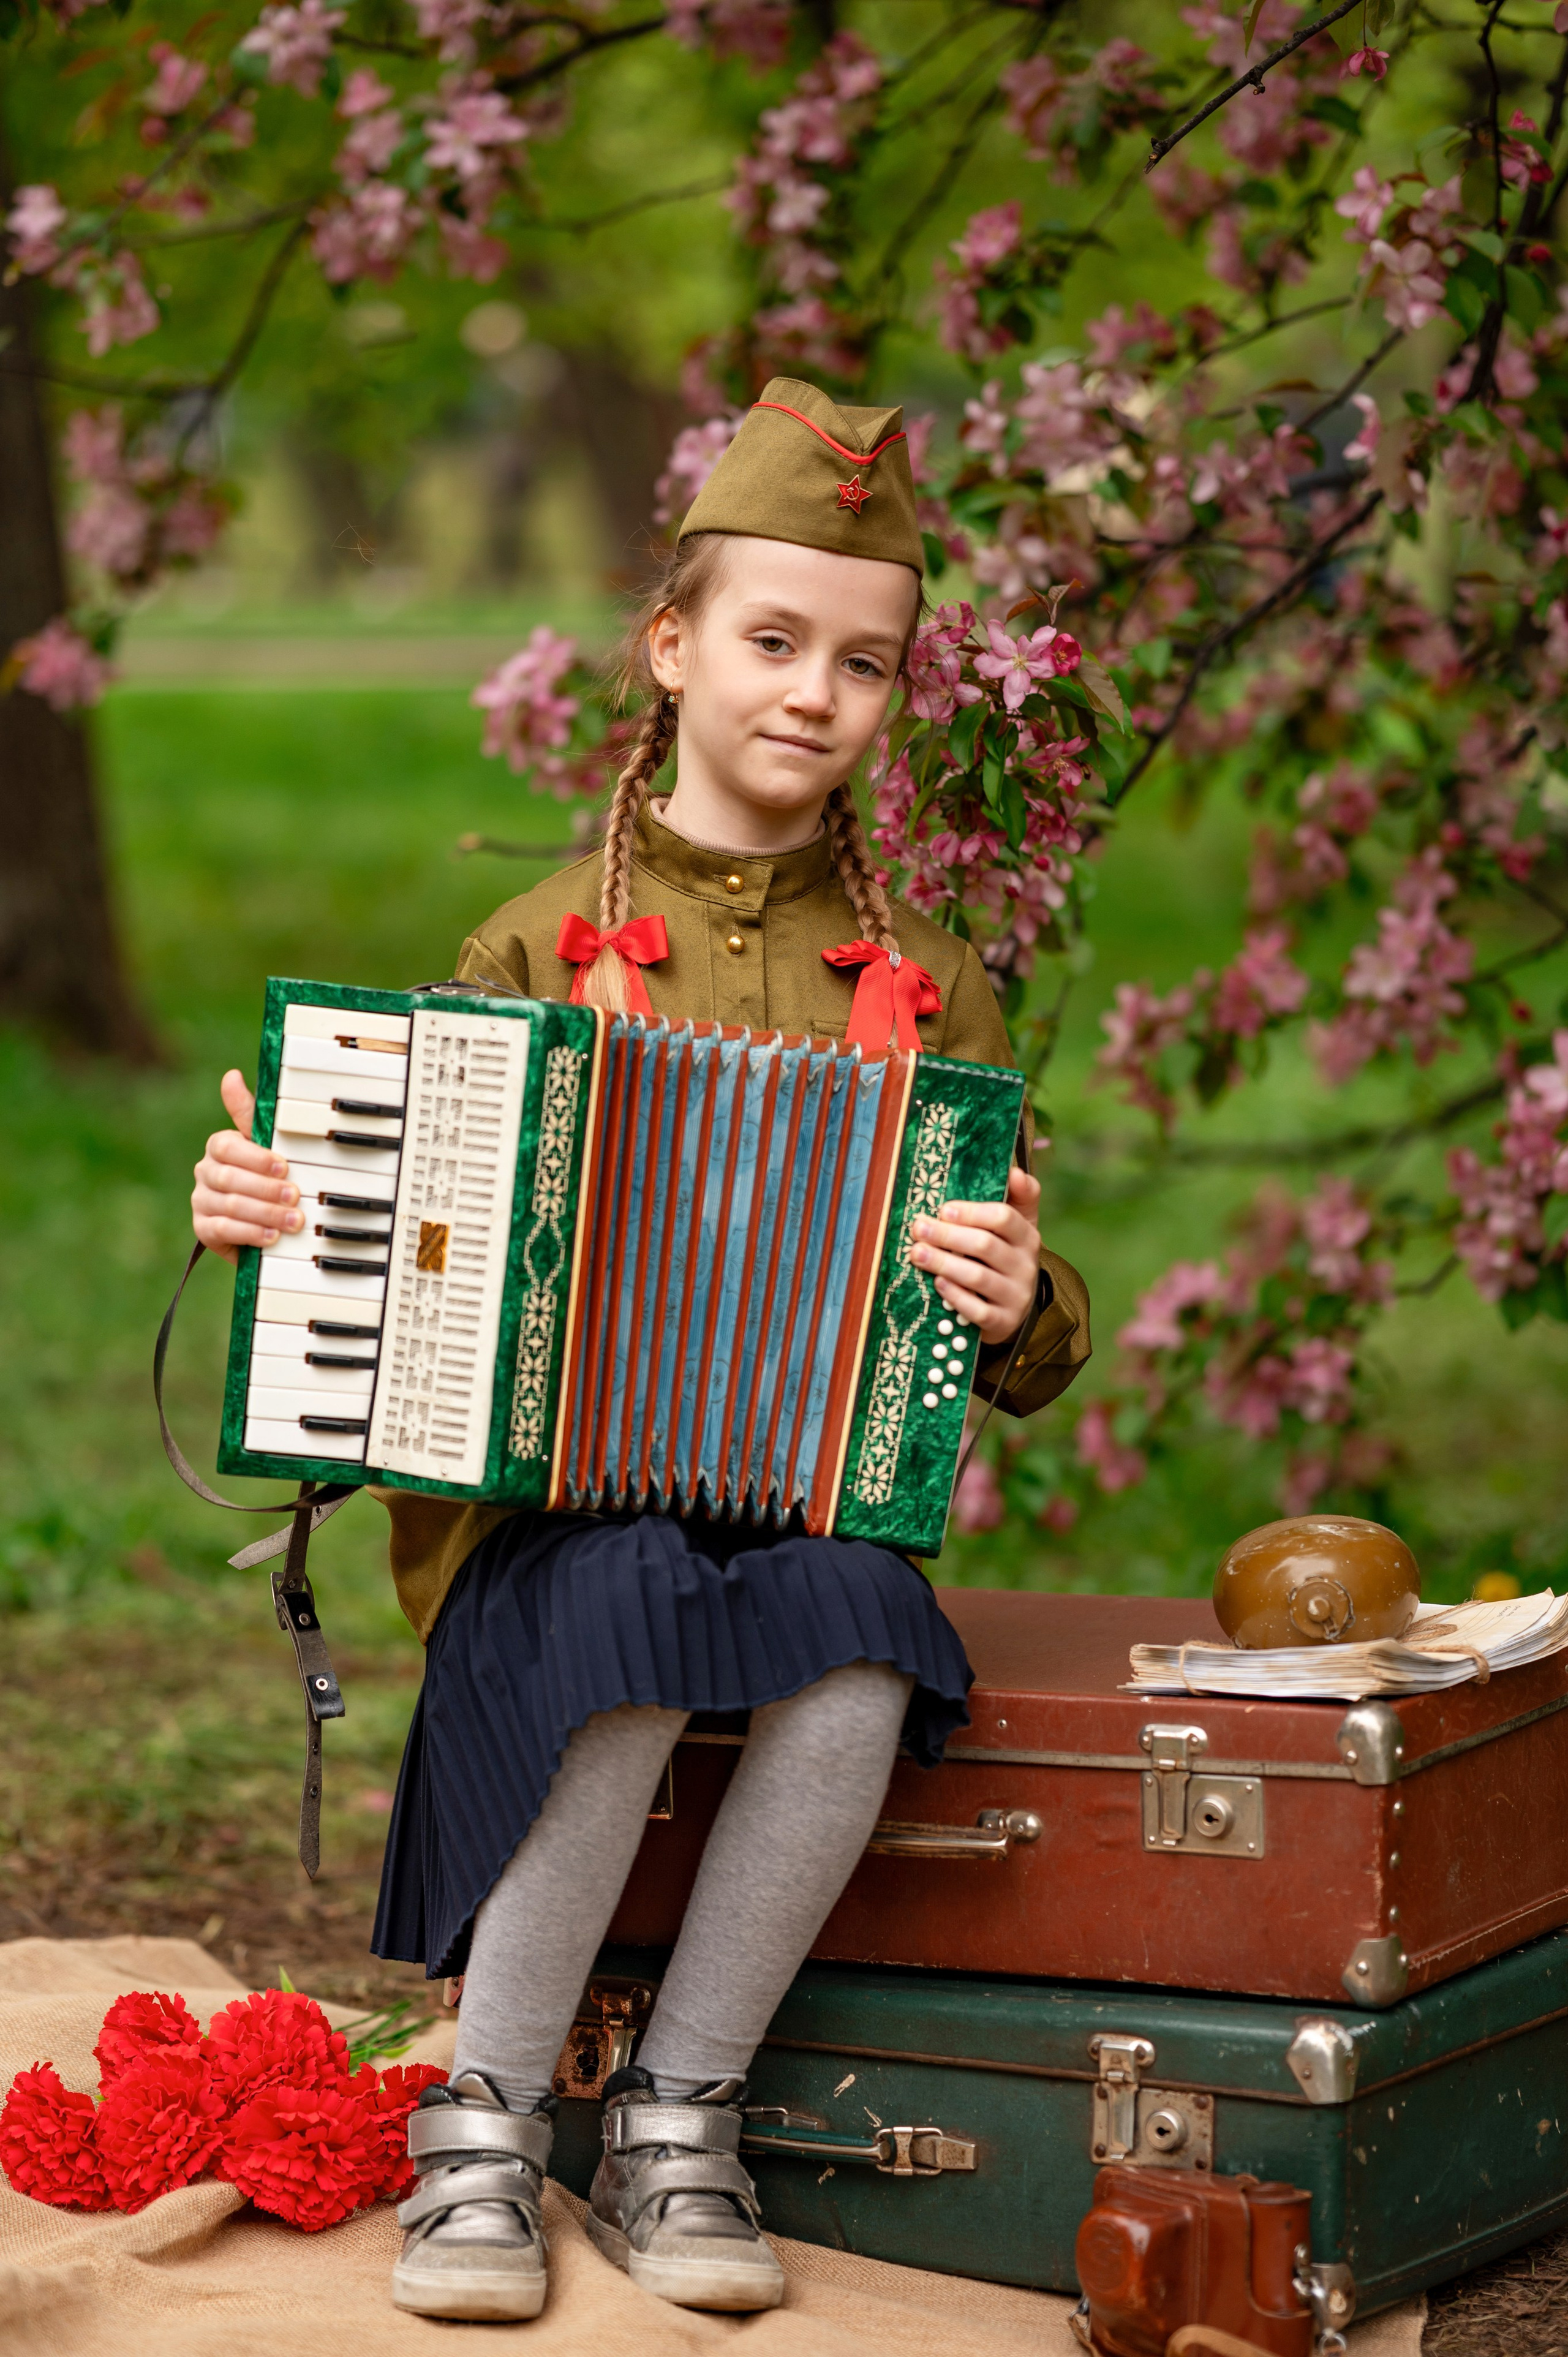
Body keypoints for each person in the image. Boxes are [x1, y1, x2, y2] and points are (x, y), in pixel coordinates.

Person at [189, 379, 1091, 2325]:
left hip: (799, 1497)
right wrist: (278, 1213)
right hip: (545, 1514)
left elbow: (1016, 1291)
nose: (813, 695)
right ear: (673, 648)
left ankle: (687, 2113)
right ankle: (487, 2122)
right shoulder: (529, 948)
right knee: (608, 1625)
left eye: (864, 664)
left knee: (865, 1645)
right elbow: (383, 1212)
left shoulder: (935, 983)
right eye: (772, 642)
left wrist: (1025, 1301)